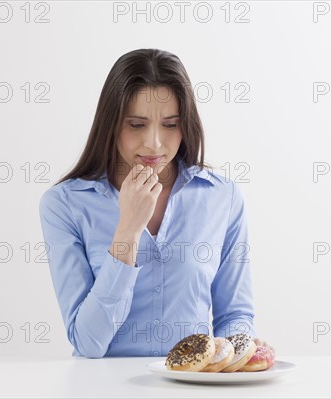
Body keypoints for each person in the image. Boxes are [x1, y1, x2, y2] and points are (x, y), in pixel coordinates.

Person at [39, 48, 273, 359]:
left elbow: (234, 315)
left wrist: (245, 350)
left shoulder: (222, 197)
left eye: (170, 124)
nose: (154, 143)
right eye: (136, 125)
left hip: (193, 387)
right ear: (110, 124)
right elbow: (88, 342)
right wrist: (127, 231)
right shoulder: (64, 205)